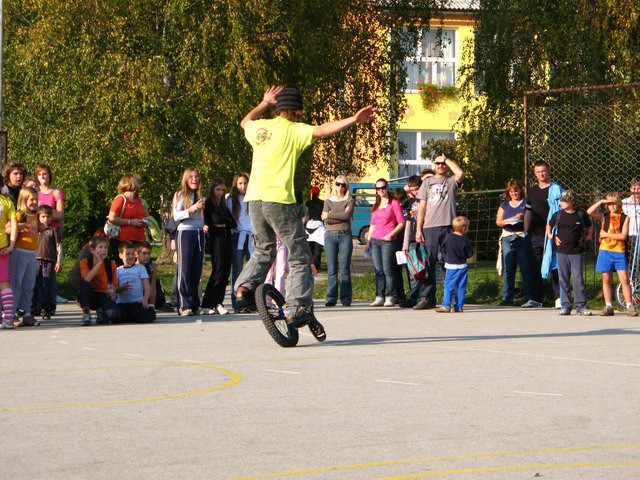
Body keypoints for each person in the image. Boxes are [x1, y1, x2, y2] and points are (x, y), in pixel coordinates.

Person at [234, 85, 374, 338]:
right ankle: (296, 307)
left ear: (277, 108)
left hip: (254, 201)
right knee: (299, 255)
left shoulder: (260, 128)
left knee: (264, 249)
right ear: (298, 111)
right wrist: (354, 119)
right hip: (280, 201)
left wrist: (264, 102)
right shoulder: (296, 130)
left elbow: (245, 121)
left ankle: (243, 288)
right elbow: (322, 130)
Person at [414, 151, 465, 310]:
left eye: (442, 163)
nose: (441, 166)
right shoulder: (427, 183)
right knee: (429, 263)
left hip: (449, 227)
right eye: (437, 163)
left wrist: (447, 158)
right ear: (433, 165)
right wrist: (418, 229)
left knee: (450, 263)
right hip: (430, 227)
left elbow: (460, 173)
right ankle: (427, 298)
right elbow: (421, 207)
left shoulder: (451, 181)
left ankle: (451, 298)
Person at [587, 193, 638, 317]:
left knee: (624, 279)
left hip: (619, 251)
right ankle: (608, 305)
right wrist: (601, 202)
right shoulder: (604, 216)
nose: (612, 206)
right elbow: (589, 211)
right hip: (605, 251)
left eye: (614, 203)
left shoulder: (624, 217)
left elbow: (623, 236)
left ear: (619, 204)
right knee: (606, 279)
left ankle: (629, 305)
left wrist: (606, 235)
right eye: (609, 204)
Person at [523, 160, 563, 308]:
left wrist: (558, 232)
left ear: (548, 171)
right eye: (538, 172)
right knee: (534, 266)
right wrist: (526, 232)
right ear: (534, 173)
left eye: (543, 171)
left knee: (555, 266)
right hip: (534, 235)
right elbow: (528, 212)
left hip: (551, 234)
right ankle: (536, 298)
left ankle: (559, 298)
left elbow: (561, 212)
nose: (541, 174)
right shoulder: (532, 190)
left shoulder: (556, 190)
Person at [547, 190, 593, 316]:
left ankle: (581, 306)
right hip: (561, 251)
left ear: (572, 201)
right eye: (560, 201)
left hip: (576, 252)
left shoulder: (580, 214)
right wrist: (552, 235)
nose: (561, 203)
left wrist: (588, 236)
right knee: (563, 279)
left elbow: (589, 225)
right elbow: (549, 225)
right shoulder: (558, 215)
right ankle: (565, 306)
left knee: (578, 278)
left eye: (564, 201)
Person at [366, 178, 406, 307]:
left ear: (387, 187)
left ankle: (390, 296)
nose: (381, 190)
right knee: (378, 270)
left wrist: (391, 234)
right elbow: (373, 224)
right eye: (378, 188)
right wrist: (368, 241)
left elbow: (401, 222)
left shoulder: (394, 203)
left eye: (383, 187)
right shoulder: (376, 205)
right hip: (375, 240)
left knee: (388, 269)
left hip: (388, 241)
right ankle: (379, 296)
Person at [172, 167, 206, 316]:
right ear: (186, 179)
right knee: (184, 270)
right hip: (185, 233)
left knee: (196, 270)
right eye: (191, 177)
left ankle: (194, 303)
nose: (194, 179)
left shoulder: (201, 196)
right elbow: (176, 216)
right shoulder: (180, 195)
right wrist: (192, 209)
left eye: (197, 176)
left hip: (199, 233)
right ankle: (184, 305)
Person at [202, 178, 237, 315]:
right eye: (218, 190)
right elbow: (214, 220)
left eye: (222, 190)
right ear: (212, 189)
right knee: (218, 270)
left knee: (225, 272)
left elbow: (233, 223)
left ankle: (218, 302)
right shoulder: (209, 203)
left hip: (227, 239)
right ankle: (207, 303)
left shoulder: (223, 204)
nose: (221, 193)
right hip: (216, 240)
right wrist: (221, 223)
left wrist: (224, 223)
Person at [496, 179, 532, 306]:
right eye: (511, 192)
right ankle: (507, 296)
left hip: (522, 236)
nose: (514, 193)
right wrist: (507, 221)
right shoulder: (504, 204)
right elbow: (498, 221)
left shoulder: (526, 202)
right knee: (508, 268)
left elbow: (531, 217)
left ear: (520, 190)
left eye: (516, 191)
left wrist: (523, 218)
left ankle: (528, 296)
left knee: (525, 267)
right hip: (508, 236)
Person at [35, 163, 67, 304]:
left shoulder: (56, 192)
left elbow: (60, 214)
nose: (43, 177)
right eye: (40, 174)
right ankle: (38, 298)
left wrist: (44, 215)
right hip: (39, 231)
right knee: (38, 266)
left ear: (49, 175)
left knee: (51, 264)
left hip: (53, 231)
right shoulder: (35, 191)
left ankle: (52, 295)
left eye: (45, 174)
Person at [322, 174, 355, 307]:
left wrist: (330, 215)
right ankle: (331, 297)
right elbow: (325, 219)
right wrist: (335, 217)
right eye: (338, 184)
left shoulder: (349, 200)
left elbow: (347, 215)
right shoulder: (328, 201)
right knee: (332, 269)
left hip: (345, 235)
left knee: (345, 268)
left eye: (343, 185)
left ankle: (346, 298)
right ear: (334, 185)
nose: (340, 187)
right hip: (330, 236)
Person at [10, 187, 39, 327]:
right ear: (24, 200)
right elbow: (7, 228)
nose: (35, 202)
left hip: (32, 253)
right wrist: (18, 227)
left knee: (29, 285)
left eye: (36, 199)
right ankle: (12, 312)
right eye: (31, 199)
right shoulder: (18, 215)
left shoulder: (35, 215)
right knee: (17, 284)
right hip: (19, 252)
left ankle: (27, 313)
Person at [78, 236, 121, 326]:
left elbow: (115, 284)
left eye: (105, 248)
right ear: (92, 250)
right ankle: (86, 313)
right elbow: (87, 278)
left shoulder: (111, 264)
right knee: (84, 285)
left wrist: (113, 292)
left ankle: (101, 312)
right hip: (91, 294)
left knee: (114, 314)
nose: (103, 250)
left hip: (104, 294)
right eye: (100, 247)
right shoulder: (84, 262)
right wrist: (99, 263)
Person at [108, 174, 148, 265]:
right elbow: (112, 218)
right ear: (132, 183)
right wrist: (130, 222)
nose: (140, 185)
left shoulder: (139, 201)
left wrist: (144, 223)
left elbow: (143, 216)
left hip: (139, 240)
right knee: (126, 268)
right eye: (138, 182)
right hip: (123, 241)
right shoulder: (120, 199)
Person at [436, 216, 474, 313]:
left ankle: (446, 305)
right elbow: (470, 253)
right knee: (461, 287)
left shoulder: (448, 237)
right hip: (462, 266)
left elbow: (443, 248)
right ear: (464, 228)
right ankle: (459, 306)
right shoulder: (466, 240)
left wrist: (447, 256)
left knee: (449, 286)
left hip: (451, 265)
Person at [227, 172, 253, 312]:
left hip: (251, 236)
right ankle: (236, 303)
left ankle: (250, 302)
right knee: (237, 270)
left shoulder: (253, 198)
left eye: (245, 183)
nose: (243, 186)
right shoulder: (231, 199)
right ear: (235, 185)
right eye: (240, 183)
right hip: (237, 236)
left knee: (253, 271)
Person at [32, 205, 63, 321]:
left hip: (49, 260)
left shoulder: (53, 230)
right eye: (43, 216)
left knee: (47, 284)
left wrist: (59, 261)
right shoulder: (36, 229)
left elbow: (58, 246)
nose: (46, 219)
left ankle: (48, 308)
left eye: (48, 216)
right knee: (35, 284)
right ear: (39, 217)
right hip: (36, 259)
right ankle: (34, 307)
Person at [116, 241, 156, 323]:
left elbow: (147, 286)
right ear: (120, 255)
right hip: (122, 303)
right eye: (127, 254)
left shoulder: (140, 268)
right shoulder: (118, 270)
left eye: (133, 254)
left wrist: (145, 300)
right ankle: (131, 316)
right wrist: (122, 288)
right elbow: (115, 288)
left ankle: (149, 311)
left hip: (136, 302)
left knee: (146, 318)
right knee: (116, 318)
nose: (131, 256)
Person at [400, 175, 423, 308]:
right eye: (412, 190)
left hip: (424, 238)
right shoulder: (410, 202)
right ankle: (414, 297)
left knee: (424, 270)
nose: (415, 192)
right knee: (413, 270)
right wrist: (405, 243)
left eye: (417, 189)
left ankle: (424, 296)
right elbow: (408, 223)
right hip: (413, 239)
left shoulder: (426, 200)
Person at [135, 241, 169, 310]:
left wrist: (152, 306)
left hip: (147, 294)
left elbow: (153, 288)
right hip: (136, 295)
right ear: (136, 254)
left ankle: (157, 304)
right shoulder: (133, 267)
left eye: (149, 253)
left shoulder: (151, 268)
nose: (147, 256)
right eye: (144, 253)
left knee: (157, 283)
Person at [0, 191, 17, 329]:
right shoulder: (7, 202)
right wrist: (11, 245)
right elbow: (14, 225)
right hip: (2, 245)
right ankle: (9, 319)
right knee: (4, 283)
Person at [390, 186, 409, 305]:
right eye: (398, 202)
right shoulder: (391, 207)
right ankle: (399, 294)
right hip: (395, 241)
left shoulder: (409, 206)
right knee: (395, 270)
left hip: (406, 241)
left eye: (402, 201)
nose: (400, 204)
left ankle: (415, 295)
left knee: (410, 270)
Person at [305, 186, 325, 273]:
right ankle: (316, 265)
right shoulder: (322, 203)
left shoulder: (307, 203)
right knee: (318, 248)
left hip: (308, 225)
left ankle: (310, 264)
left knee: (310, 247)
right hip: (319, 226)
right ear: (319, 193)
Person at [622, 179, 640, 249]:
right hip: (629, 234)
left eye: (639, 189)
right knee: (631, 257)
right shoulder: (624, 202)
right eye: (634, 188)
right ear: (630, 189)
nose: (636, 191)